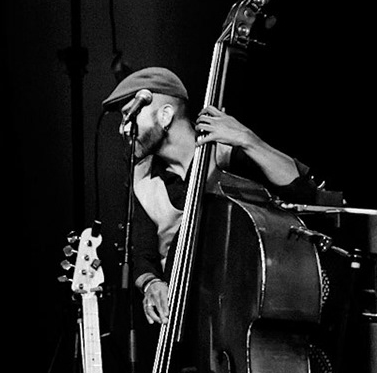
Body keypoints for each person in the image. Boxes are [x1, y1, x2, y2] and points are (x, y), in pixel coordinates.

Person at [104, 66, 329, 322]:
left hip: (248, 303)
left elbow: (301, 191)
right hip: (186, 316)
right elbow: (141, 253)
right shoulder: (140, 177)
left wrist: (248, 140)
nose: (123, 129)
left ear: (165, 115)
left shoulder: (225, 151)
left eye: (129, 115)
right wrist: (151, 284)